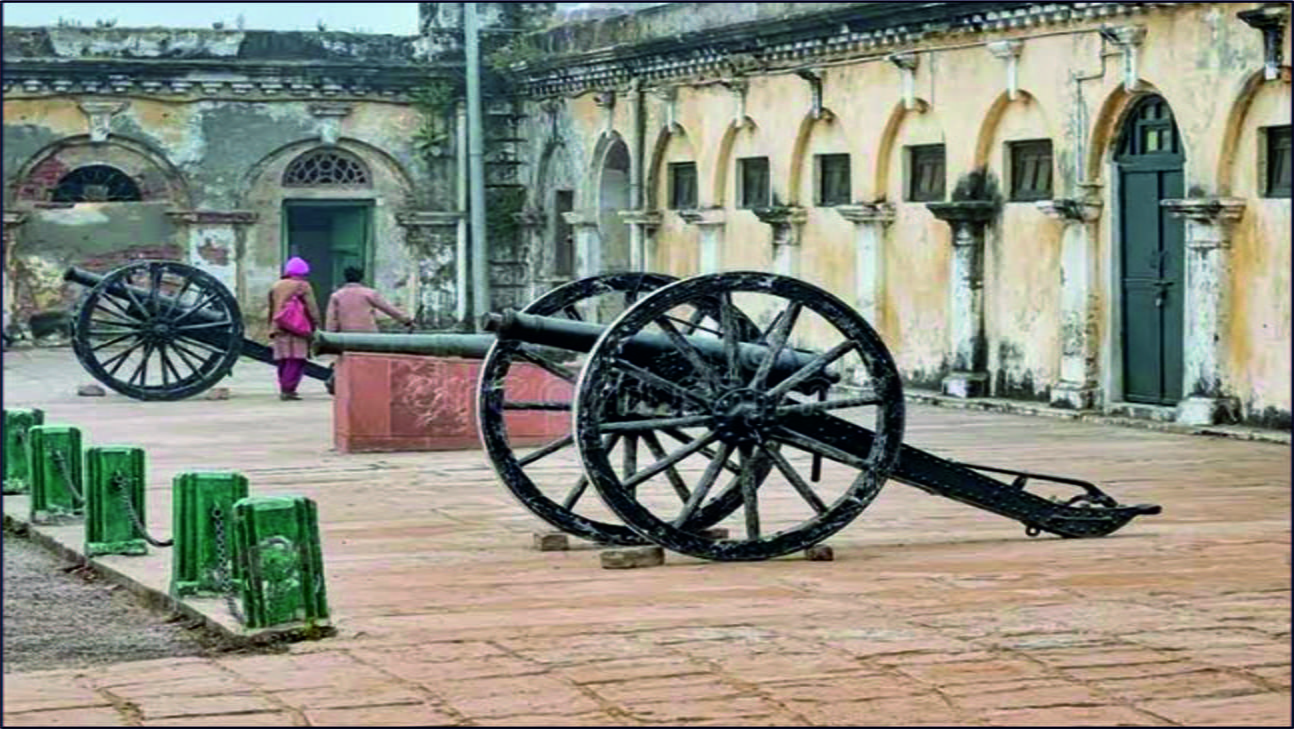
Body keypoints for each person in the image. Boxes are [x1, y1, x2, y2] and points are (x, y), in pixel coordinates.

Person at [268, 256, 321, 401]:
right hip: (298, 328)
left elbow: (272, 308)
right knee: (296, 359)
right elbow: (312, 308)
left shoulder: (276, 285)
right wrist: (316, 324)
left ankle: (284, 387)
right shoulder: (303, 285)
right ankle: (289, 389)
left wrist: (271, 326)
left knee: (283, 360)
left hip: (279, 327)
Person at [325, 265, 415, 333]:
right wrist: (406, 320)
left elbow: (331, 320)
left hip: (345, 334)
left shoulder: (336, 296)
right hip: (369, 335)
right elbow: (389, 309)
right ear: (362, 277)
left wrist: (331, 335)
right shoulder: (370, 293)